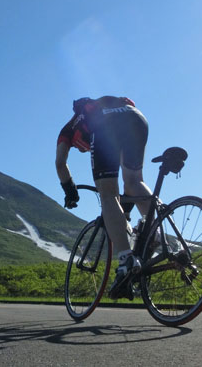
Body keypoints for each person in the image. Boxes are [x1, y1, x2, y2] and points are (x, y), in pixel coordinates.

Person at [55, 96, 153, 299]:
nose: (83, 150)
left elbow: (60, 163)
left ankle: (125, 260)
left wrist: (70, 191)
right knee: (134, 181)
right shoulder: (96, 107)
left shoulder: (68, 130)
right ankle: (156, 232)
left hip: (108, 123)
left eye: (80, 148)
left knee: (106, 193)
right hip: (137, 118)